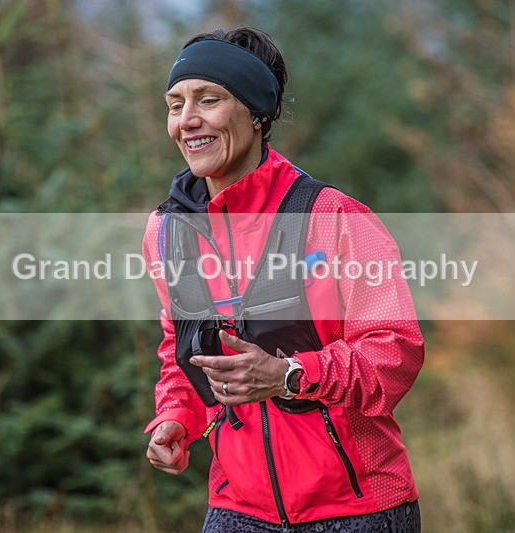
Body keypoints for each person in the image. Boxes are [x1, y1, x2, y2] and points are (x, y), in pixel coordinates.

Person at [142, 27, 424, 533]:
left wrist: (289, 374)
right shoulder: (169, 231)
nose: (187, 121)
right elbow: (179, 347)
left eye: (209, 99)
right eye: (175, 103)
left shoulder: (332, 217)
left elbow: (395, 352)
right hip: (236, 509)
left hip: (357, 507)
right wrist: (176, 417)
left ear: (256, 113)